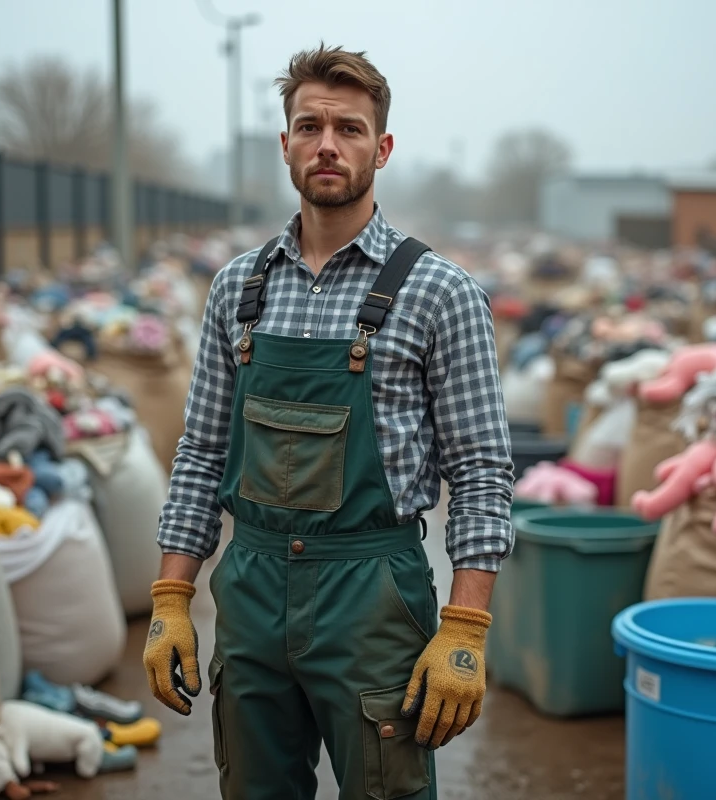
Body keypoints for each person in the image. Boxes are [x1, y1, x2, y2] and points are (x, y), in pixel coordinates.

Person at [143, 42, 514, 800]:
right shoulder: (237, 289)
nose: (327, 145)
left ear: (381, 147)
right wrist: (172, 597)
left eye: (348, 129)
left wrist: (465, 628)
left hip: (372, 592)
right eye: (309, 126)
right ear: (285, 144)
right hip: (249, 589)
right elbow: (203, 452)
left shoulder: (439, 292)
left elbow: (480, 471)